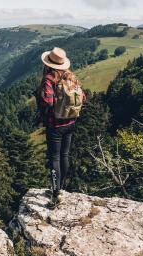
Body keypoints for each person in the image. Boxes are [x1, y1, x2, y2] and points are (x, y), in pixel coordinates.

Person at [36, 47, 85, 207]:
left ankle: (56, 192)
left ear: (49, 63)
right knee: (65, 155)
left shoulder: (49, 79)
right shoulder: (71, 77)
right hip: (71, 123)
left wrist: (46, 111)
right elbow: (83, 97)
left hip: (55, 125)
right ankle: (60, 188)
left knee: (54, 158)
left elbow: (47, 102)